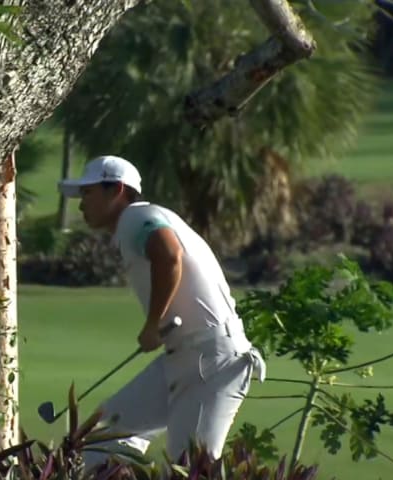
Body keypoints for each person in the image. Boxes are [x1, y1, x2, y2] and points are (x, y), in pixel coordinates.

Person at [57, 155, 266, 471]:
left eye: (87, 193)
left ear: (116, 190)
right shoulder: (138, 221)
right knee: (100, 438)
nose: (81, 204)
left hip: (210, 361)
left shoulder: (136, 218)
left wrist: (153, 323)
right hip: (186, 356)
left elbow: (169, 255)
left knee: (189, 468)